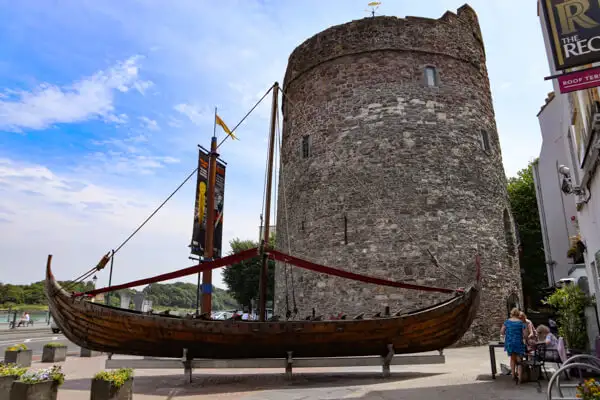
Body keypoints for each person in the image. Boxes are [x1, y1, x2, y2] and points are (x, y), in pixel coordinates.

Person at [500, 308, 527, 381]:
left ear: (511, 314)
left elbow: (502, 331)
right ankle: (520, 377)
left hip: (510, 342)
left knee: (512, 358)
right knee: (519, 359)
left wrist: (508, 333)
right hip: (518, 343)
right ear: (518, 314)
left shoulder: (507, 322)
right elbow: (525, 335)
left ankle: (513, 375)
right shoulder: (521, 323)